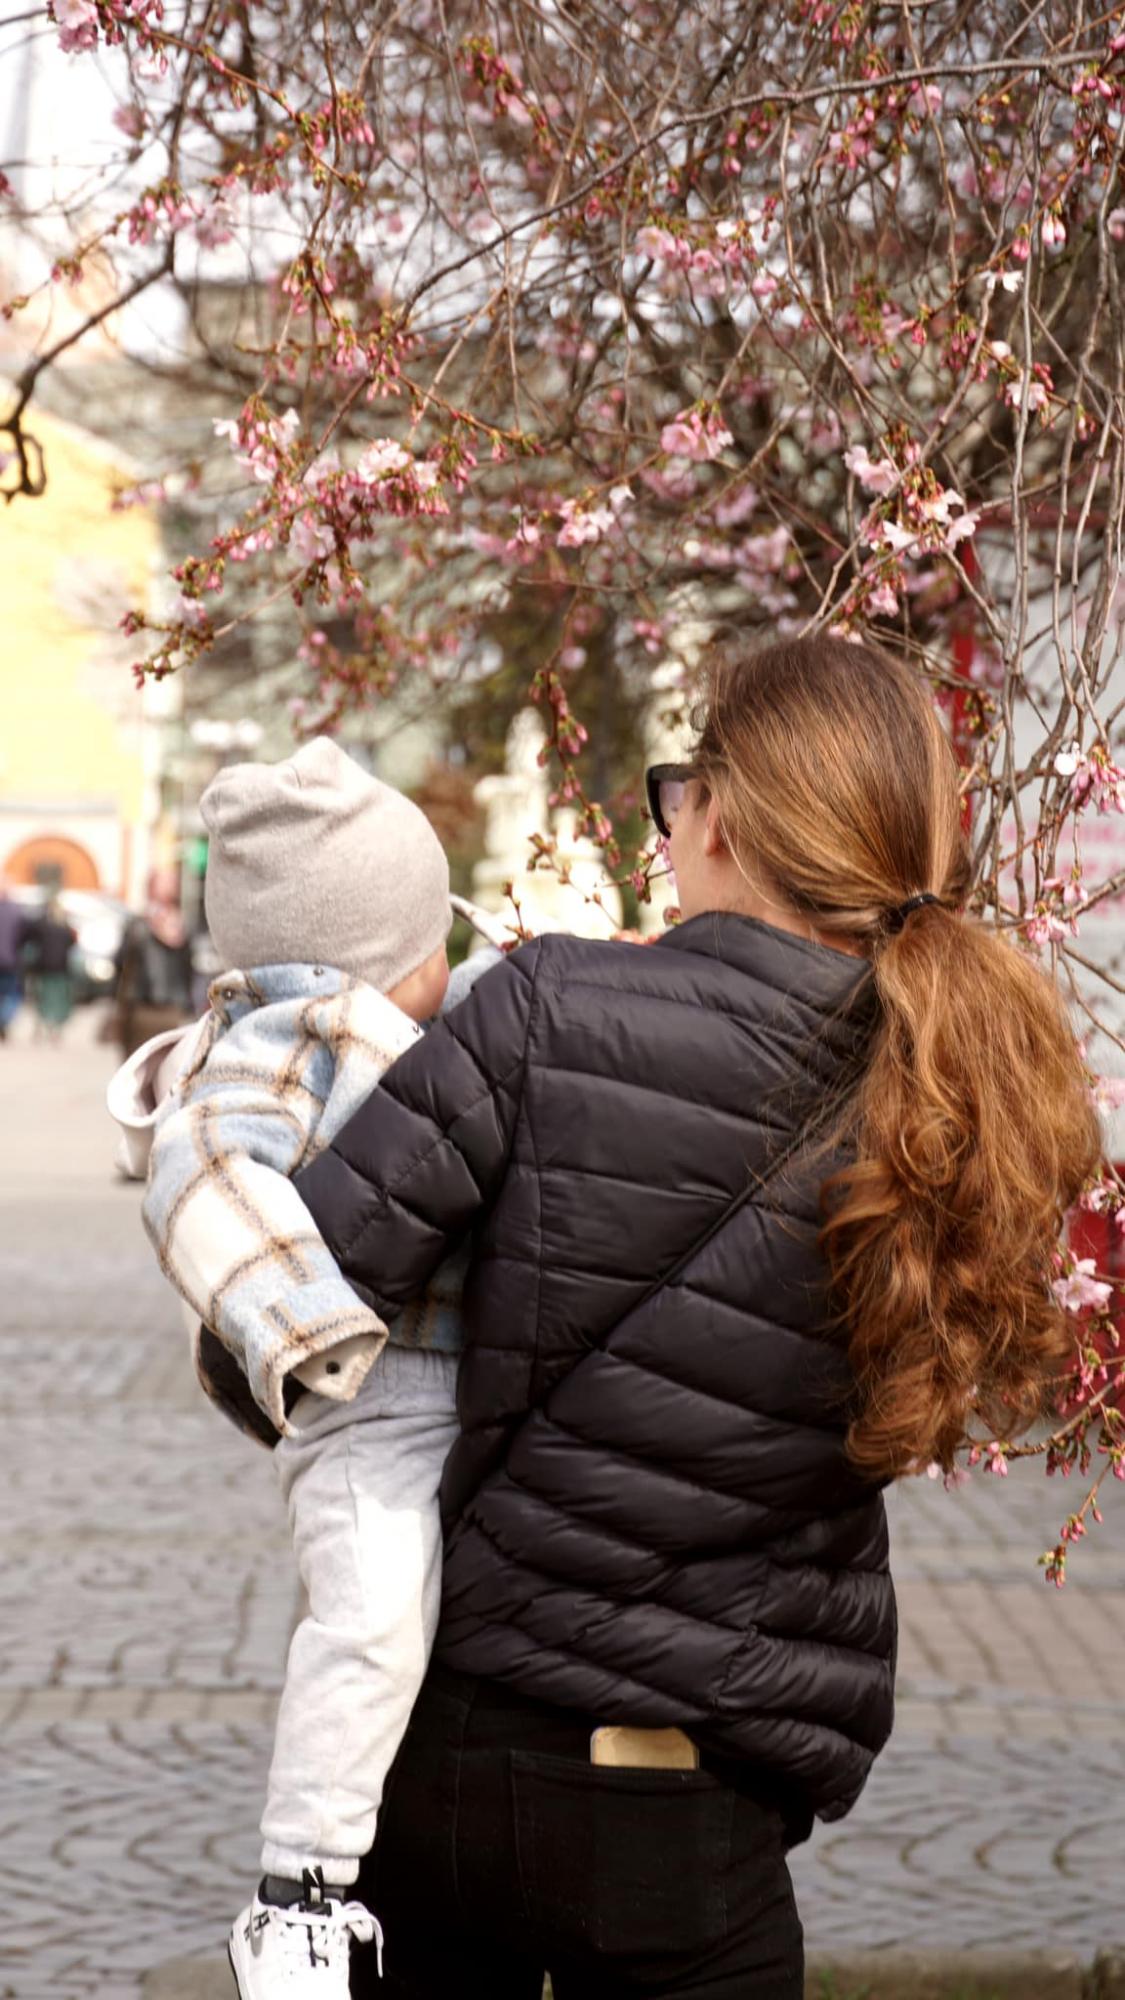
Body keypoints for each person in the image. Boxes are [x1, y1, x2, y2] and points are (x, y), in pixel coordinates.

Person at [291, 635, 1101, 2000]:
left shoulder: (544, 1007)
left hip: (451, 1756)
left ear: (719, 812)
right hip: (700, 1798)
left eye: (677, 791)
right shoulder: (964, 1089)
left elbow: (278, 1313)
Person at [131, 738, 497, 1999]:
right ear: (390, 949)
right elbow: (202, 1178)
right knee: (371, 1619)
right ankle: (301, 1894)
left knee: (414, 1628)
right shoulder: (291, 1039)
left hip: (462, 1386)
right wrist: (308, 1323)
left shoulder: (424, 1013)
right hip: (372, 1401)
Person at [112, 869, 195, 1057]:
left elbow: (119, 962)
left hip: (141, 1009)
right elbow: (189, 970)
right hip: (173, 1010)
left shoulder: (138, 925)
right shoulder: (183, 926)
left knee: (135, 1071)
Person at [24, 897, 78, 1040]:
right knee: (59, 999)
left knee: (43, 998)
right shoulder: (65, 928)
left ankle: (42, 1026)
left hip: (44, 968)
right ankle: (55, 1029)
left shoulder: (42, 926)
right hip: (60, 968)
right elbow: (73, 943)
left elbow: (30, 936)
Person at [0, 881, 30, 1040]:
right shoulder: (17, 912)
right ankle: (4, 1019)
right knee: (12, 994)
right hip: (11, 961)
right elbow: (24, 937)